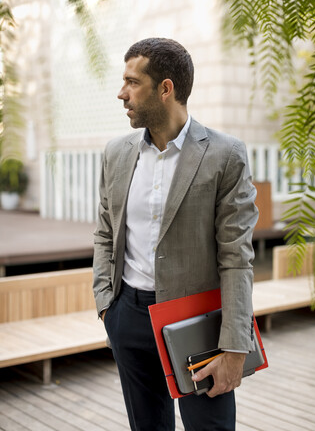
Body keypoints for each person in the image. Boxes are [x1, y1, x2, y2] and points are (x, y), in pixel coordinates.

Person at [93, 37, 258, 431]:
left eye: (133, 82)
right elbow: (105, 232)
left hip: (197, 324)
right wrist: (106, 305)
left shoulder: (225, 154)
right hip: (128, 316)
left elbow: (236, 257)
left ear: (165, 89)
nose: (122, 93)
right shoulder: (116, 153)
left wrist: (236, 346)